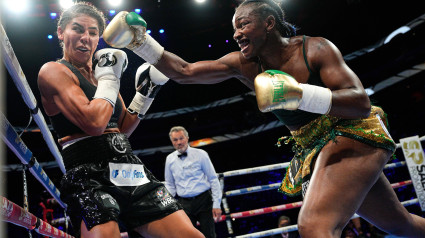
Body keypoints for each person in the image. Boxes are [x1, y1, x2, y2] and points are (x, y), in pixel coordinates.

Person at [102, 0, 425, 237]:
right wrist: (140, 42)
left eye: (243, 25)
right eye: (234, 29)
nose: (237, 34)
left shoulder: (314, 50)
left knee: (314, 227)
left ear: (269, 23)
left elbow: (360, 103)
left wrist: (299, 94)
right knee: (402, 225)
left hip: (352, 132)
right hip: (313, 144)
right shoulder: (243, 64)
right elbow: (185, 72)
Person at [37, 2, 204, 238]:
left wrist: (144, 94)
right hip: (88, 174)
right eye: (77, 29)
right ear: (62, 33)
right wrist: (109, 78)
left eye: (93, 32)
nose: (85, 37)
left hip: (129, 167)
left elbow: (121, 128)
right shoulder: (54, 71)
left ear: (98, 40)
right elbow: (94, 124)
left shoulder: (103, 73)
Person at [164, 126, 222, 238]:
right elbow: (170, 185)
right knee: (188, 236)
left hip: (204, 201)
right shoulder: (169, 159)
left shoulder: (201, 154)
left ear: (187, 138)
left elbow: (213, 179)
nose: (179, 142)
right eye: (175, 140)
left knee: (209, 235)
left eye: (181, 138)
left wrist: (216, 204)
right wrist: (167, 206)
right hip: (184, 204)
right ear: (172, 142)